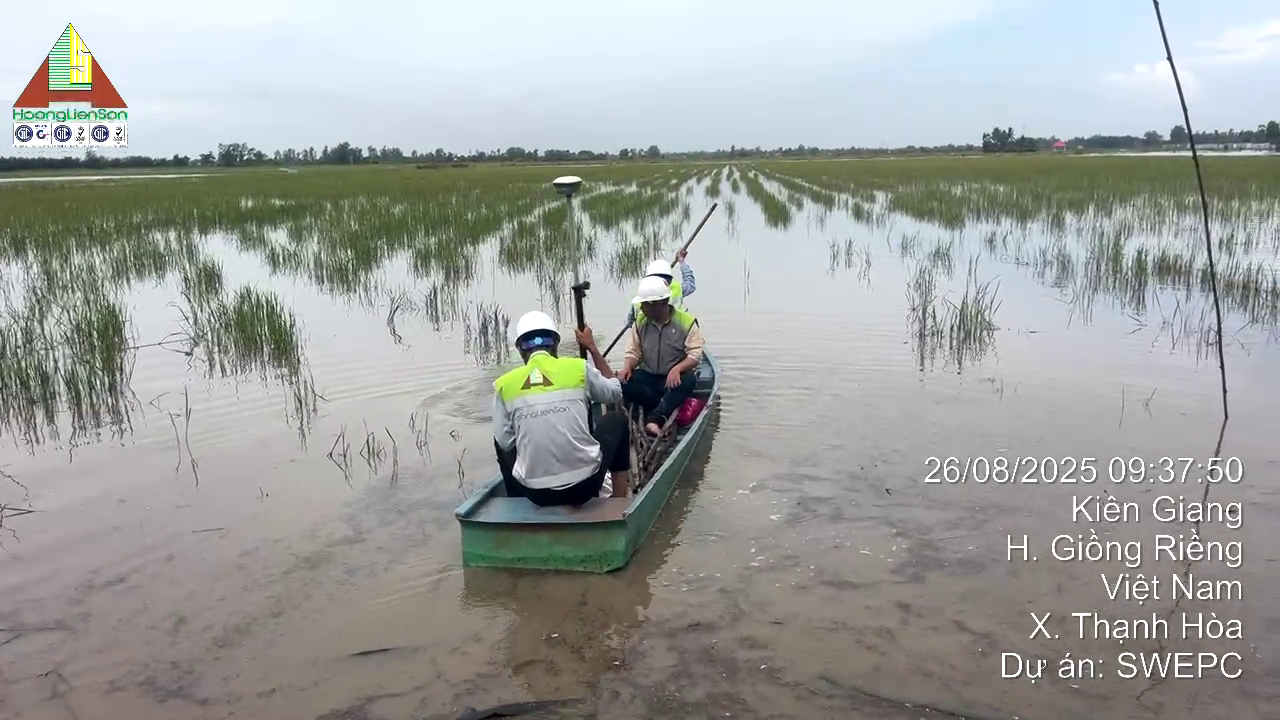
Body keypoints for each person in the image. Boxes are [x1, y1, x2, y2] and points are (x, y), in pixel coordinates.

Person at [492, 311, 632, 506]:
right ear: (555, 344)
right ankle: (618, 503)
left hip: (536, 494)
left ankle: (516, 502)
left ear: (520, 349)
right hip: (584, 488)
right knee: (616, 421)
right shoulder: (578, 368)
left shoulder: (504, 385)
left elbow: (506, 442)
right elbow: (615, 393)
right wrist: (591, 348)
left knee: (498, 440)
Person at [618, 276, 705, 437]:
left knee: (689, 380)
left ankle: (655, 418)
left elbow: (695, 355)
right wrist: (628, 366)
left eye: (643, 305)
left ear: (657, 304)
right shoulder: (641, 322)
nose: (641, 308)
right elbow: (634, 352)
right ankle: (664, 405)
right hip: (650, 377)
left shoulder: (686, 322)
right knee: (624, 382)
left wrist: (678, 369)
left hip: (673, 381)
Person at [623, 248, 696, 329]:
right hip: (677, 333)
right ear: (670, 279)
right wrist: (681, 261)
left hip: (647, 337)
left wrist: (630, 323)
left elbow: (629, 322)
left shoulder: (640, 294)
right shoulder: (676, 289)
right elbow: (690, 283)